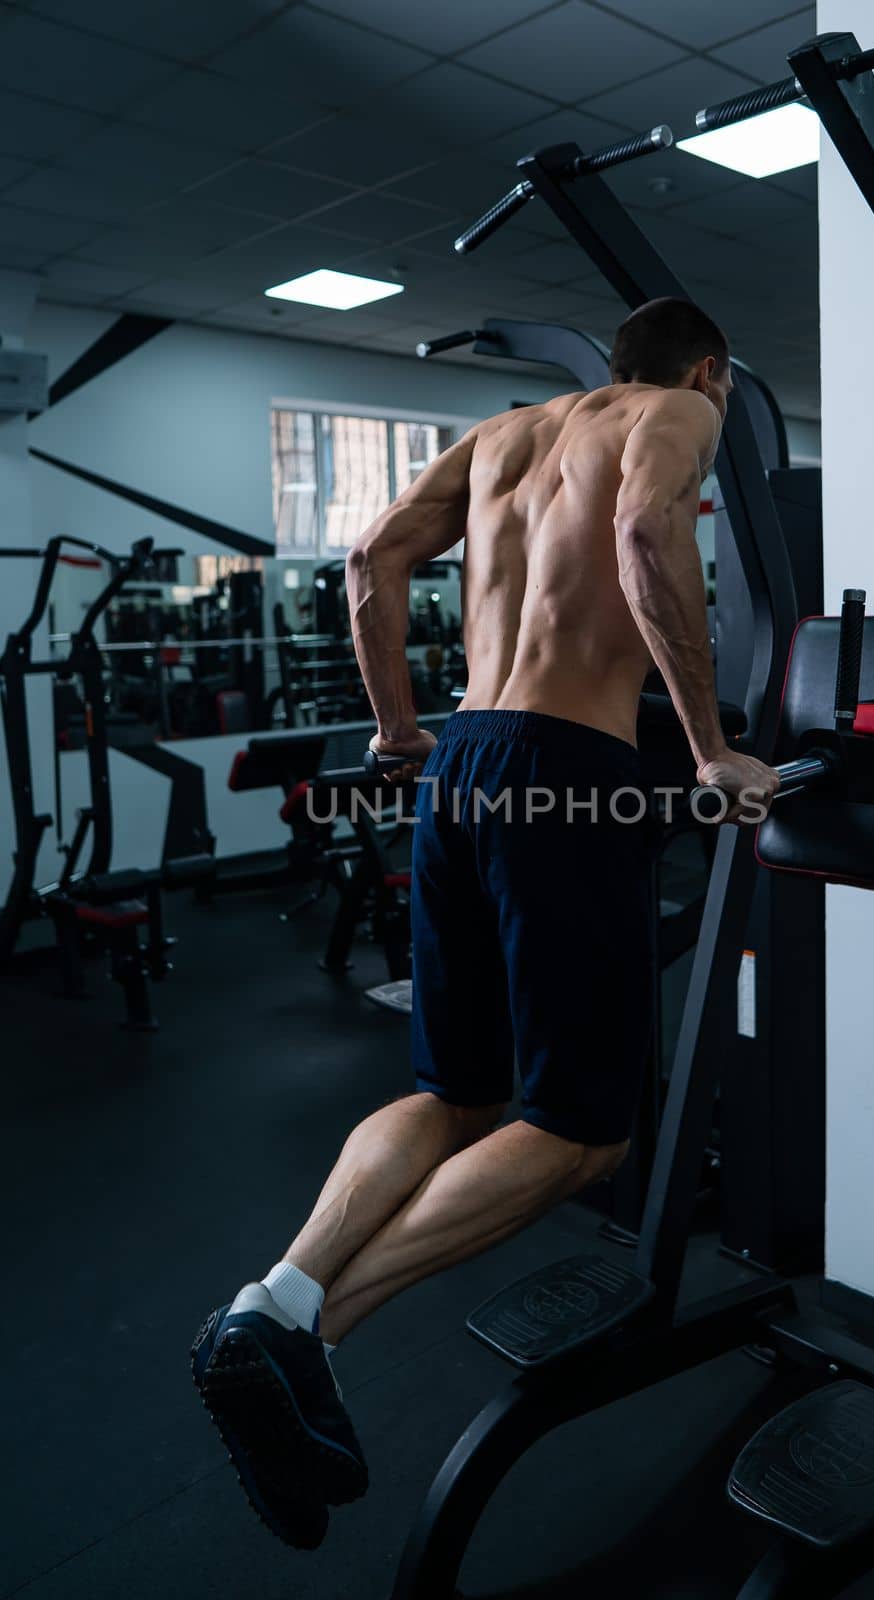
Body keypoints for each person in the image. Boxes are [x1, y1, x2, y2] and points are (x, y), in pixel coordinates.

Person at [191, 297, 781, 1548]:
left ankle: (276, 1295)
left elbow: (370, 564)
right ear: (708, 372)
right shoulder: (676, 412)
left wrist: (400, 727)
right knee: (579, 1134)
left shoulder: (504, 432)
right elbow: (639, 530)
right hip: (570, 768)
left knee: (453, 1090)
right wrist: (718, 747)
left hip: (461, 762)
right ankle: (301, 1334)